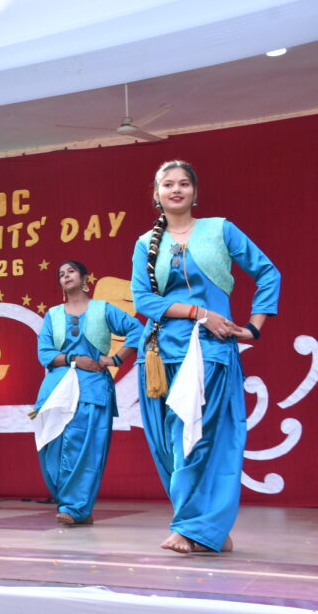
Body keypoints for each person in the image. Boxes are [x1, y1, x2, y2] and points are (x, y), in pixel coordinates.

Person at [131, 160, 279, 553]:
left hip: (210, 351)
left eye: (184, 183)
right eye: (168, 184)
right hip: (159, 353)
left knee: (195, 436)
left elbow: (268, 273)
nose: (176, 189)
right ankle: (208, 528)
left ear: (195, 192)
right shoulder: (145, 243)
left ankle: (192, 529)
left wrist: (254, 327)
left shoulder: (220, 229)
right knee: (168, 443)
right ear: (157, 194)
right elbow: (143, 300)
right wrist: (199, 312)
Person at [34, 261, 143, 526]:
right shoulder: (53, 315)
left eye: (71, 271)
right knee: (51, 448)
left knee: (85, 449)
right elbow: (44, 352)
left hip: (91, 388)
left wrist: (115, 359)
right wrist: (74, 358)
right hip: (56, 391)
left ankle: (76, 507)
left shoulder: (102, 309)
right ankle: (72, 504)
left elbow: (137, 330)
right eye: (61, 274)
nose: (65, 276)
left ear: (84, 277)